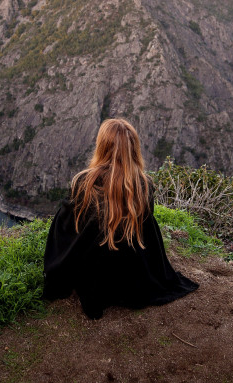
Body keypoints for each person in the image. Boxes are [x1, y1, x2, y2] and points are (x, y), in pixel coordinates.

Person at [43, 118, 198, 319]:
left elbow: (69, 228)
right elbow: (146, 233)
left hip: (96, 274)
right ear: (134, 150)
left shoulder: (85, 182)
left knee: (65, 215)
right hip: (131, 275)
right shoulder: (144, 185)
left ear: (102, 147)